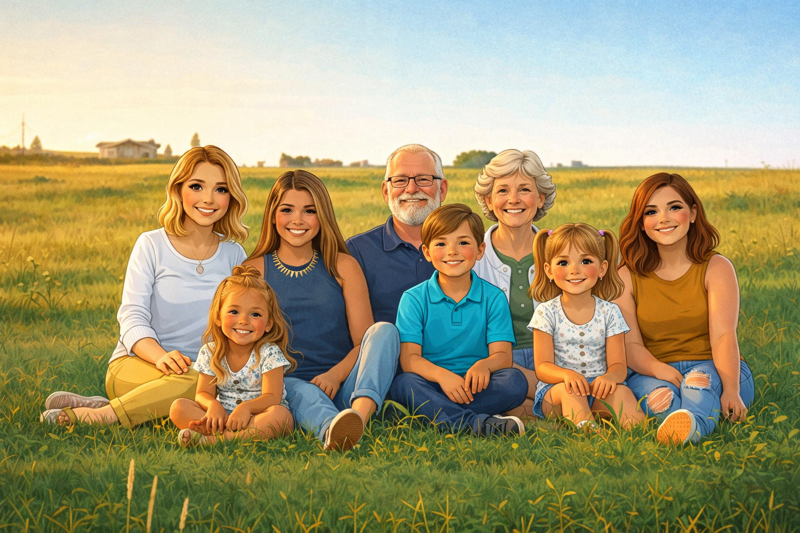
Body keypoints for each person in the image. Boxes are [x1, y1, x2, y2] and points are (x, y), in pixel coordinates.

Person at [40, 146, 249, 427]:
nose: (208, 199)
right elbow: (132, 316)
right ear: (178, 190)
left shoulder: (234, 254)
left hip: (206, 373)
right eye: (197, 186)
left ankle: (107, 407)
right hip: (139, 364)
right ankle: (100, 416)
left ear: (231, 196)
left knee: (209, 386)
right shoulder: (151, 244)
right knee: (200, 388)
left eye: (221, 189)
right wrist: (161, 356)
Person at [243, 170, 399, 451]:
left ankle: (357, 419)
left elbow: (363, 342)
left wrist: (335, 376)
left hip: (341, 386)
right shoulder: (254, 270)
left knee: (385, 331)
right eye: (287, 209)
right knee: (298, 389)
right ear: (272, 215)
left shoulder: (343, 266)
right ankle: (333, 431)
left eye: (309, 211)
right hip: (283, 387)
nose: (298, 220)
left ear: (322, 215)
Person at [615, 173, 754, 444]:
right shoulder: (625, 277)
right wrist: (658, 369)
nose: (663, 218)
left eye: (674, 207)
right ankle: (682, 421)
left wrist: (732, 390)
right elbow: (630, 345)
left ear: (692, 213)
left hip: (717, 368)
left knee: (698, 385)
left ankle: (691, 428)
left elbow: (724, 335)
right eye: (651, 211)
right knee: (660, 399)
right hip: (652, 371)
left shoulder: (717, 267)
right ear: (642, 224)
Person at [390, 204, 528, 436]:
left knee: (515, 381)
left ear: (480, 250)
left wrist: (484, 365)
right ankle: (477, 424)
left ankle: (438, 416)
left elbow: (503, 357)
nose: (452, 251)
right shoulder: (413, 298)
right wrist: (443, 376)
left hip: (478, 386)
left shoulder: (493, 297)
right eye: (441, 244)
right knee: (404, 385)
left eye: (463, 243)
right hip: (432, 384)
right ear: (426, 252)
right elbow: (410, 359)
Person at [529, 223, 644, 430]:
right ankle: (587, 432)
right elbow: (542, 367)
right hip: (557, 393)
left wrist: (609, 377)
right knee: (570, 392)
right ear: (549, 270)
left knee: (622, 393)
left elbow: (618, 366)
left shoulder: (610, 312)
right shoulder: (546, 313)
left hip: (598, 391)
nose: (574, 270)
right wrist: (566, 375)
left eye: (585, 261)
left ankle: (644, 435)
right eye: (563, 262)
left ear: (602, 268)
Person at [473, 149, 556, 418]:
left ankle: (524, 409)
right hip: (498, 362)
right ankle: (548, 406)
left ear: (540, 197)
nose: (514, 200)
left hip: (555, 359)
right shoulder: (470, 257)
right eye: (502, 191)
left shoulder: (561, 252)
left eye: (524, 189)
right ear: (488, 198)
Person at [170, 265, 294, 447]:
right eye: (234, 312)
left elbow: (272, 397)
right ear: (218, 317)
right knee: (178, 407)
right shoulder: (210, 352)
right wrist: (213, 406)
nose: (243, 320)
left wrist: (246, 408)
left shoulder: (269, 353)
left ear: (268, 324)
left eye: (255, 314)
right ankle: (222, 432)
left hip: (256, 417)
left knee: (281, 417)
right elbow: (203, 393)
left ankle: (212, 440)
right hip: (221, 416)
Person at [346, 144, 449, 325]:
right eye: (400, 180)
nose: (411, 189)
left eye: (423, 179)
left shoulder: (467, 247)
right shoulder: (357, 251)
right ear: (386, 192)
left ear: (442, 189)